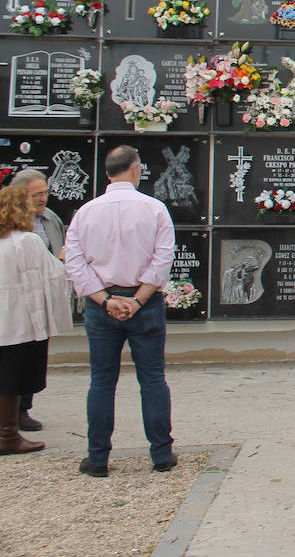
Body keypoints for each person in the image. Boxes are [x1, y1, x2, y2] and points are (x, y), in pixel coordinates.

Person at [64, 145, 176, 477]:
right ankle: (161, 455)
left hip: (103, 307)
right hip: (145, 303)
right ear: (134, 169)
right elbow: (162, 259)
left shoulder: (85, 212)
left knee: (101, 381)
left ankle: (97, 460)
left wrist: (105, 300)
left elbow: (75, 262)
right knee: (153, 379)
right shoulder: (154, 209)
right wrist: (138, 300)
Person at [0, 184, 72, 454]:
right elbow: (51, 275)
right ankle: (8, 435)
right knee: (12, 378)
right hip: (18, 320)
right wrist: (65, 258)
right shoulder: (26, 241)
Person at [9, 168, 66, 432]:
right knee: (12, 357)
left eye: (45, 193)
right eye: (37, 194)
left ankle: (23, 409)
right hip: (12, 300)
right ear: (20, 195)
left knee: (33, 356)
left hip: (40, 297)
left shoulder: (49, 218)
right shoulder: (7, 222)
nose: (43, 198)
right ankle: (11, 415)